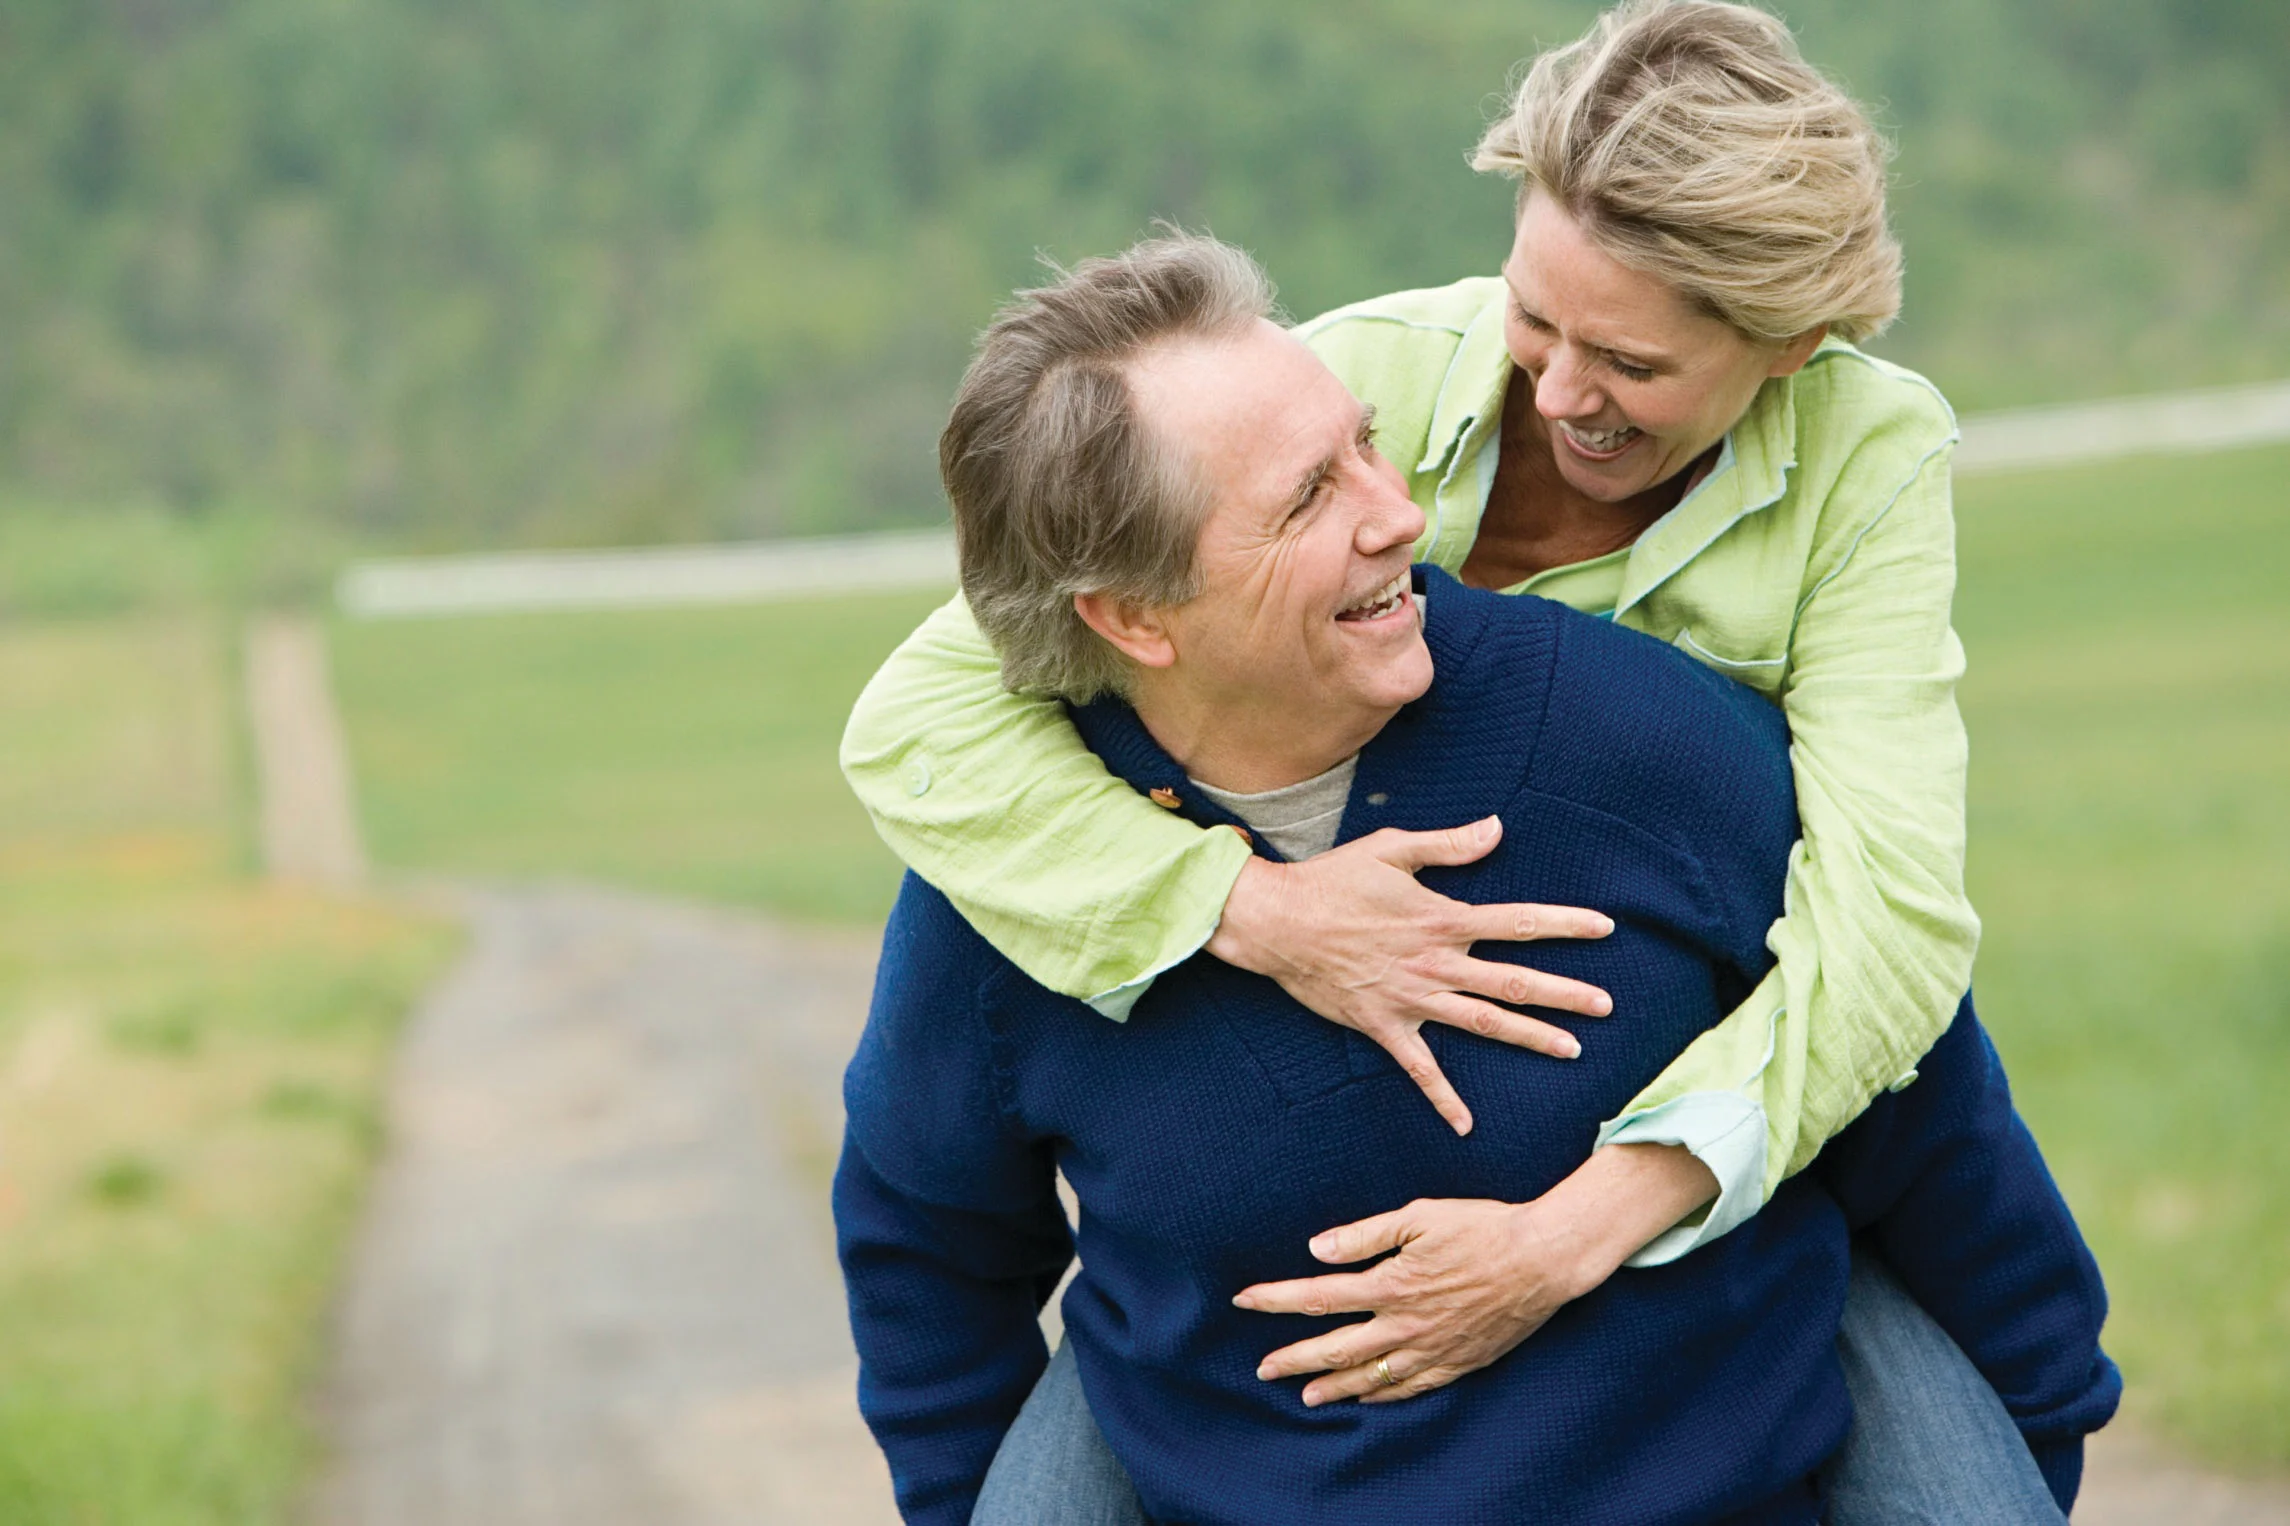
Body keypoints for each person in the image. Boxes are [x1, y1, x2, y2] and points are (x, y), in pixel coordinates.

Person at [834, 235, 2117, 1525]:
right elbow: (928, 1251)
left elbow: (1929, 1119)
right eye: (1304, 502)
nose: (1399, 516)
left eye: (1368, 446)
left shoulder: (1648, 745)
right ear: (1134, 618)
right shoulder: (1019, 889)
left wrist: (2031, 1448)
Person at [840, 0, 1988, 1381]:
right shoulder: (1355, 376)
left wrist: (1570, 1236)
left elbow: (1891, 929)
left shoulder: (1867, 456)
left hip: (1712, 1167)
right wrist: (1255, 910)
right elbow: (919, 718)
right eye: (1533, 318)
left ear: (1788, 343)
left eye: (1629, 364)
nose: (1562, 393)